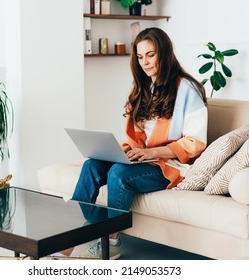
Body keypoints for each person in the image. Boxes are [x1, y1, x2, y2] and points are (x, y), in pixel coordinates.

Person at [60, 27, 208, 260]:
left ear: (164, 53)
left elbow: (195, 143)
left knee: (118, 174)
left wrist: (151, 152)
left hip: (169, 166)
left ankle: (112, 242)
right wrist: (124, 150)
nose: (145, 62)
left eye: (150, 55)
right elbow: (136, 138)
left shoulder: (187, 89)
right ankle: (68, 241)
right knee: (92, 165)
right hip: (144, 158)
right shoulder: (143, 89)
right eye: (140, 57)